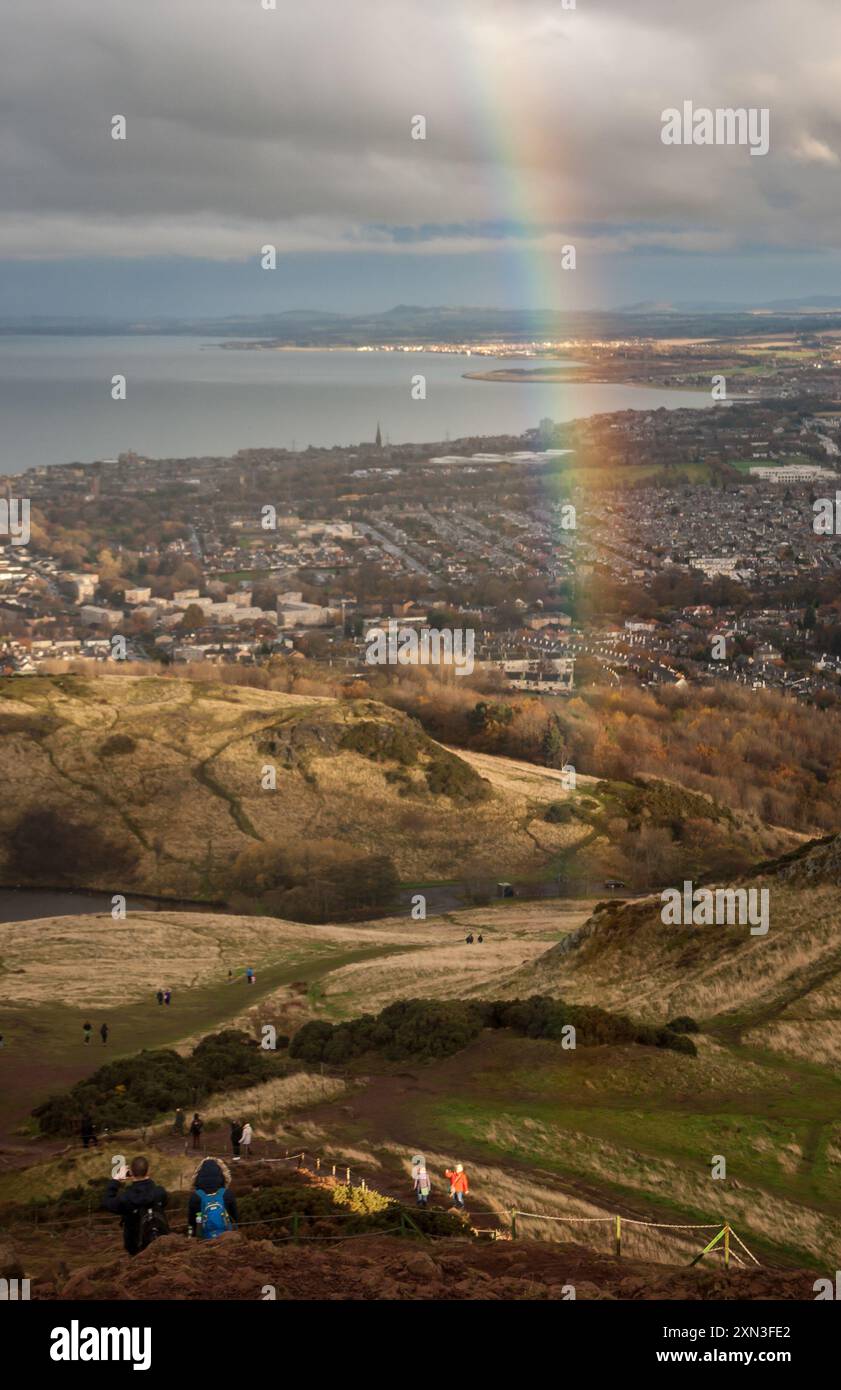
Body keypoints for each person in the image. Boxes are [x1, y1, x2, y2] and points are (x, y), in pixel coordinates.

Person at [103, 1155, 169, 1256]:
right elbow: (163, 1203)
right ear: (148, 1171)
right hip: (161, 1245)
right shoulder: (160, 1193)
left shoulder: (126, 1199)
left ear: (131, 1173)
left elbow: (107, 1202)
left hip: (136, 1250)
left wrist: (116, 1180)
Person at [188, 1156, 238, 1239]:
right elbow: (235, 1218)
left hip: (204, 1240)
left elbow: (191, 1222)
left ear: (198, 1175)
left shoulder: (195, 1196)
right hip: (226, 1239)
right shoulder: (227, 1194)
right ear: (222, 1173)